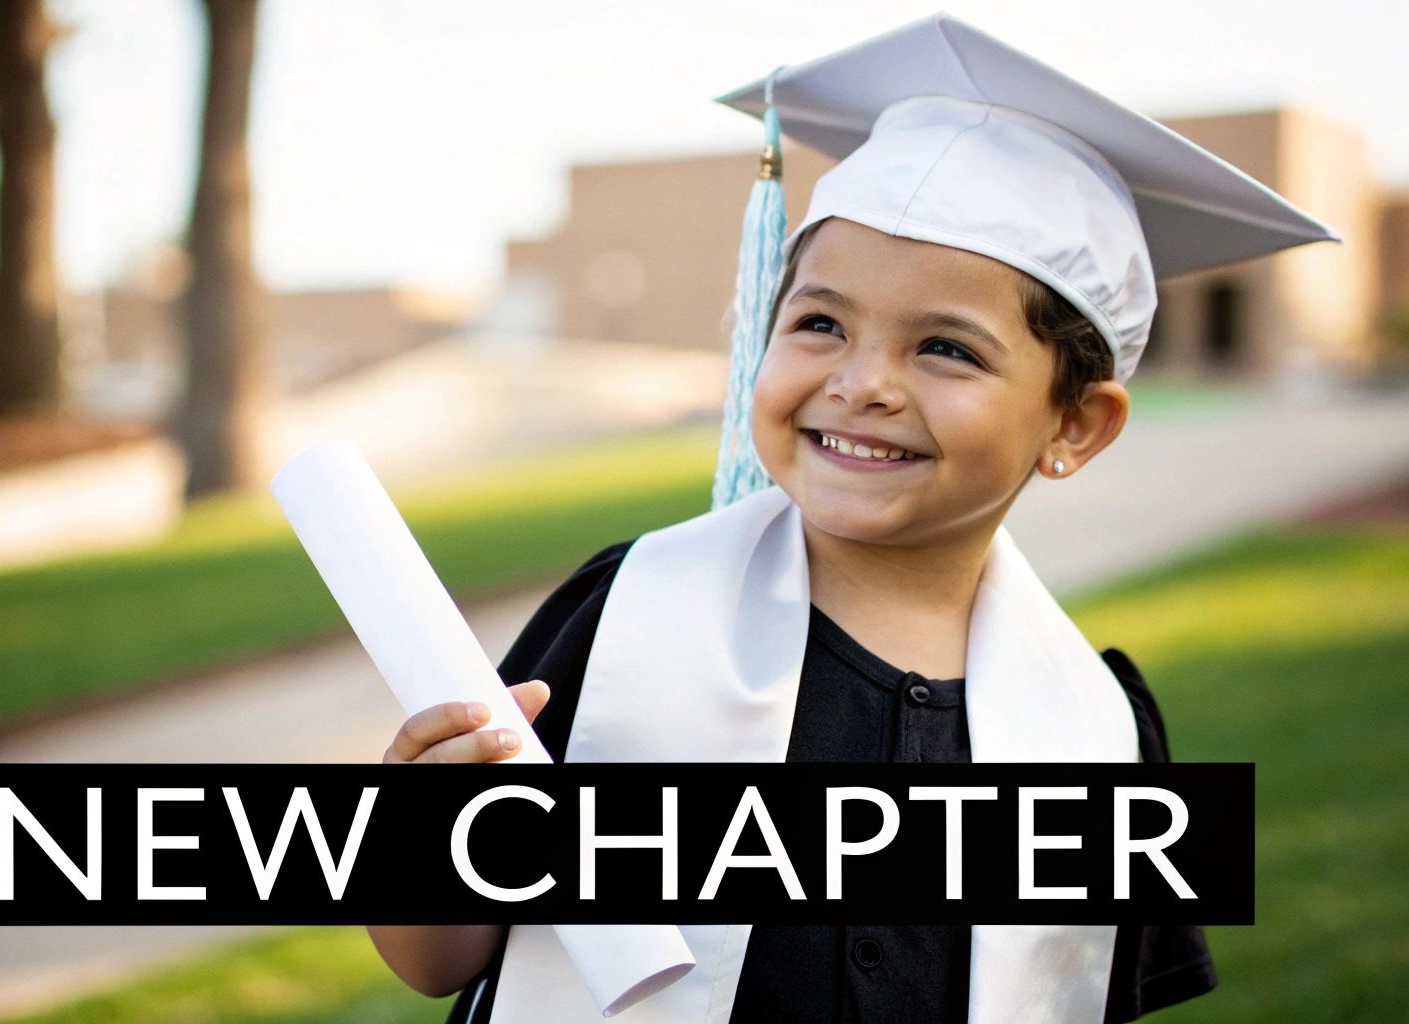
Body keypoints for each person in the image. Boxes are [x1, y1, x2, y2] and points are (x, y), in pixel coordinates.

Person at [369, 12, 1339, 1023]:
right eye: (821, 323)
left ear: (1076, 424)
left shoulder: (1098, 734)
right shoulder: (627, 615)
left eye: (945, 349)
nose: (861, 383)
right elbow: (440, 956)